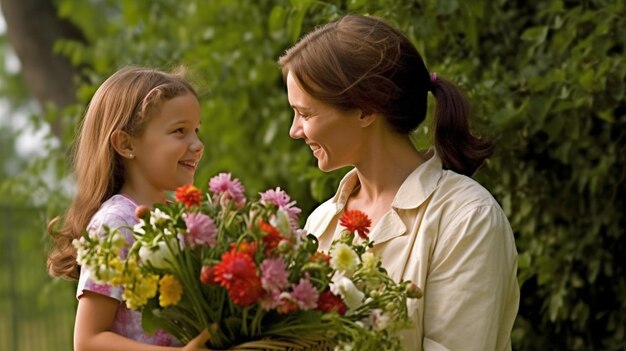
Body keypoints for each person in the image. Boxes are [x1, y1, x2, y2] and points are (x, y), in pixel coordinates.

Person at [279, 14, 519, 350]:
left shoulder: (466, 218)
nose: (295, 130)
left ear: (365, 110)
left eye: (305, 113)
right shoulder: (321, 223)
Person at [47, 66, 211, 351]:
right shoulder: (115, 223)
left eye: (196, 130)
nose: (197, 144)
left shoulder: (184, 217)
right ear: (126, 143)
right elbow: (88, 341)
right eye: (179, 131)